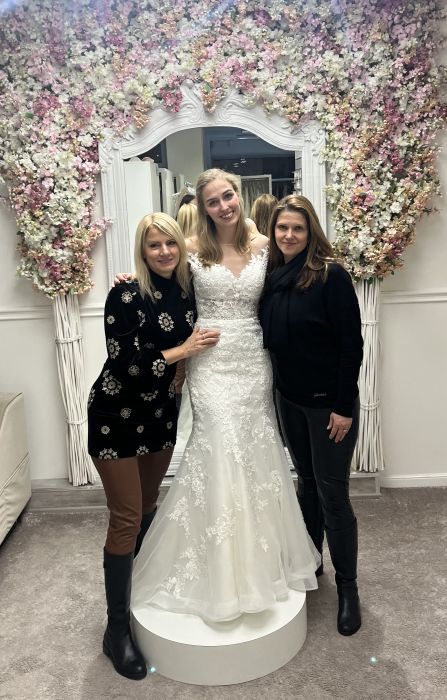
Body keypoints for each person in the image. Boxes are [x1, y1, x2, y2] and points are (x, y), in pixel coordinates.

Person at [130, 169, 320, 623]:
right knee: (217, 443)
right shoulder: (191, 248)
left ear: (239, 194)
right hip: (210, 360)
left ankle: (260, 564)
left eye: (228, 196)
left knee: (255, 450)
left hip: (253, 361)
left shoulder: (266, 246)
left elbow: (296, 279)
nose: (224, 206)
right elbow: (159, 280)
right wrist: (128, 277)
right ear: (203, 207)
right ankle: (218, 568)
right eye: (213, 201)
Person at [88, 212, 219, 680]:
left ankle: (139, 593)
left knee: (147, 506)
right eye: (153, 245)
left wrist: (181, 370)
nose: (163, 252)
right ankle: (116, 631)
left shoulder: (187, 291)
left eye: (170, 243)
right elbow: (126, 364)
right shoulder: (124, 294)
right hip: (115, 418)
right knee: (125, 516)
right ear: (141, 252)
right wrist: (184, 353)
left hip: (160, 415)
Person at [259, 194, 364, 636]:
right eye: (282, 228)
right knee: (305, 484)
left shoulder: (330, 275)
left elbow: (351, 345)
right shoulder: (272, 275)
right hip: (290, 400)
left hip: (328, 407)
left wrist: (342, 408)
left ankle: (348, 588)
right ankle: (311, 562)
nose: (289, 235)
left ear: (311, 232)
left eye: (297, 228)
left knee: (332, 494)